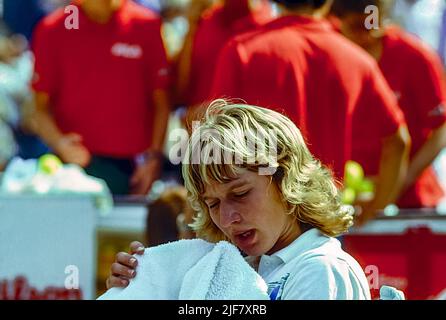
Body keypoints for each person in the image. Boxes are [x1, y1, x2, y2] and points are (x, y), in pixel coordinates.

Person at [106, 101, 371, 300]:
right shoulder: (233, 269)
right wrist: (144, 285)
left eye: (240, 194)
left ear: (286, 178)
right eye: (213, 204)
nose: (226, 218)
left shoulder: (321, 271)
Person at [209, 0, 410, 224]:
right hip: (323, 217)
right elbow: (397, 141)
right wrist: (375, 209)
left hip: (255, 220)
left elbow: (214, 144)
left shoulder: (241, 51)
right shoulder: (356, 58)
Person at [29, 0, 171, 195]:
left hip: (133, 172)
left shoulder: (146, 24)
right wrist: (59, 143)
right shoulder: (53, 29)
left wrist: (153, 159)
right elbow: (39, 108)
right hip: (74, 171)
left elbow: (162, 101)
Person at [332, 0, 446, 216]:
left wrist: (397, 183)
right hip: (345, 201)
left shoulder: (415, 57)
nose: (366, 36)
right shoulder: (331, 54)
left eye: (373, 26)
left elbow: (441, 130)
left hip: (413, 204)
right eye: (357, 27)